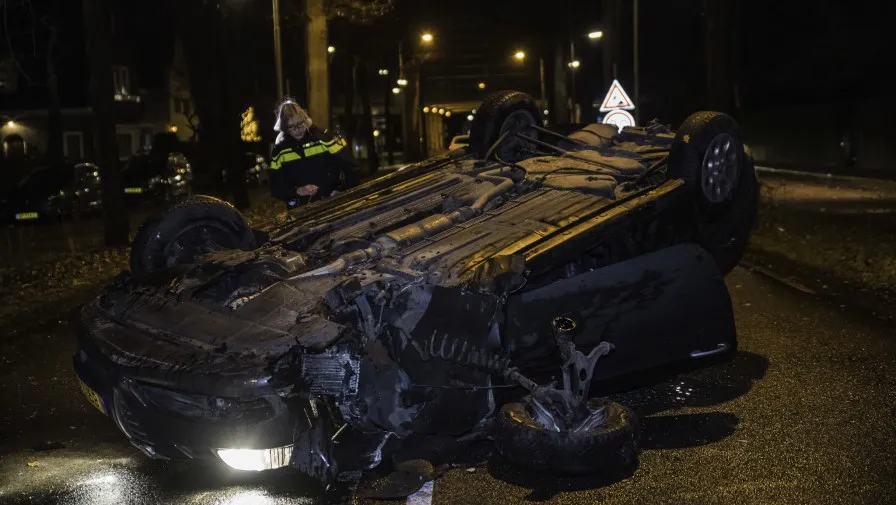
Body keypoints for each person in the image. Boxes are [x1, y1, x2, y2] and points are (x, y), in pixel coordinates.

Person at [269, 99, 360, 209]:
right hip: (300, 210)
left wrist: (342, 191)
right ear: (284, 128)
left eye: (300, 124)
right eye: (291, 127)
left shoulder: (325, 139)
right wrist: (297, 191)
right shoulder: (280, 151)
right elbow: (276, 188)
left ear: (305, 119)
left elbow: (352, 168)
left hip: (332, 205)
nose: (297, 130)